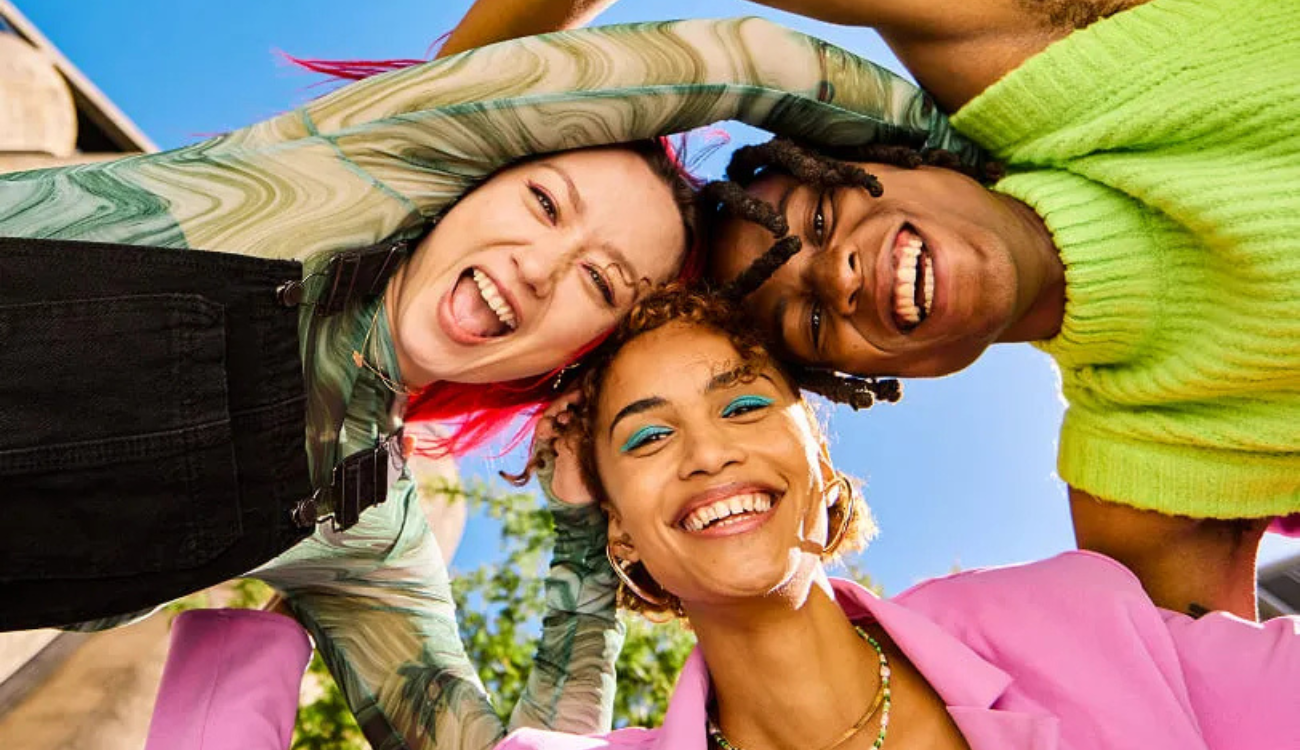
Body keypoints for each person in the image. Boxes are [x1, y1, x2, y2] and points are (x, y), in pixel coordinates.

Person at [0, 16, 992, 749]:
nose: (538, 264)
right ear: (471, 174)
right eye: (543, 203)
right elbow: (745, 67)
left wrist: (579, 542)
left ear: (567, 365)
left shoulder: (358, 524)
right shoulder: (331, 177)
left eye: (599, 282)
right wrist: (979, 186)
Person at [421, 0, 1300, 619]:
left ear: (906, 156)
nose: (838, 274)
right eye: (809, 322)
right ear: (865, 379)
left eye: (819, 215)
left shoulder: (1063, 52)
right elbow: (1209, 700)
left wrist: (391, 158)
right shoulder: (1152, 478)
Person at [144, 286, 1300, 750]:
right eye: (645, 437)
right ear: (622, 537)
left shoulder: (1081, 615)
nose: (707, 453)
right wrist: (254, 632)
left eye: (744, 403)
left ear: (815, 455)